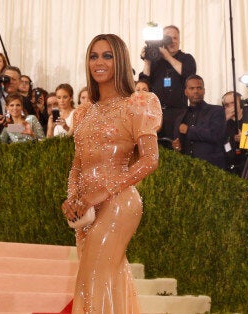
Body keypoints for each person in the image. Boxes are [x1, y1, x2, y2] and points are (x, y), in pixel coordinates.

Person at [61, 33, 162, 313]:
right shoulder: (83, 113)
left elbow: (150, 160)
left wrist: (102, 192)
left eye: (108, 56)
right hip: (87, 210)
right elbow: (77, 165)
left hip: (119, 204)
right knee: (103, 281)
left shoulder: (138, 103)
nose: (99, 62)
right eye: (94, 56)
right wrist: (73, 199)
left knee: (92, 280)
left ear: (121, 60)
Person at [139, 25, 196, 140]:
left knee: (176, 147)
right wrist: (147, 62)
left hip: (179, 113)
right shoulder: (155, 59)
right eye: (168, 38)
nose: (172, 41)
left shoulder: (186, 58)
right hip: (155, 113)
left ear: (179, 40)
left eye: (175, 38)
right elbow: (144, 83)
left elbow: (189, 74)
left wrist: (168, 57)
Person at [171, 74, 226, 169]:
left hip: (211, 169)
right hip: (188, 169)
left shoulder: (217, 111)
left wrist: (189, 130)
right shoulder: (180, 117)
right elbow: (178, 143)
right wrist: (177, 147)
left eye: (199, 88)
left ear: (204, 90)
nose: (196, 91)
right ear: (186, 92)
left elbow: (215, 135)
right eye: (191, 88)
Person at [222, 91, 246, 176]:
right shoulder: (223, 122)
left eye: (233, 103)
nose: (230, 107)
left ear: (241, 104)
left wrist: (245, 139)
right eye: (227, 105)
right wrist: (225, 119)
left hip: (247, 164)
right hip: (227, 166)